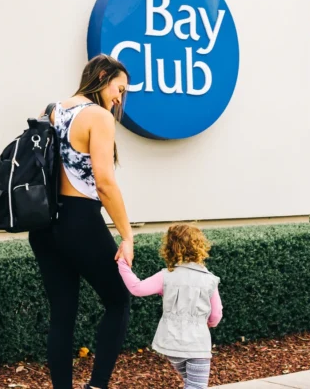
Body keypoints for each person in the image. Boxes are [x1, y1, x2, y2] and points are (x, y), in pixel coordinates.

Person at [29, 54, 135, 389]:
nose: (119, 98)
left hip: (44, 225)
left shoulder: (51, 111)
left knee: (62, 315)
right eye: (119, 88)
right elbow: (104, 183)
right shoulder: (97, 116)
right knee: (118, 301)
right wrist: (127, 236)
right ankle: (97, 386)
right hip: (79, 220)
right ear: (102, 76)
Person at [117, 224, 223, 389]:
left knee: (191, 383)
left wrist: (122, 263)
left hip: (171, 345)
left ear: (170, 248)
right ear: (201, 247)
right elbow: (216, 314)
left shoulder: (166, 276)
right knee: (196, 386)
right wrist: (210, 324)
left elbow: (137, 288)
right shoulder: (209, 280)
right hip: (197, 345)